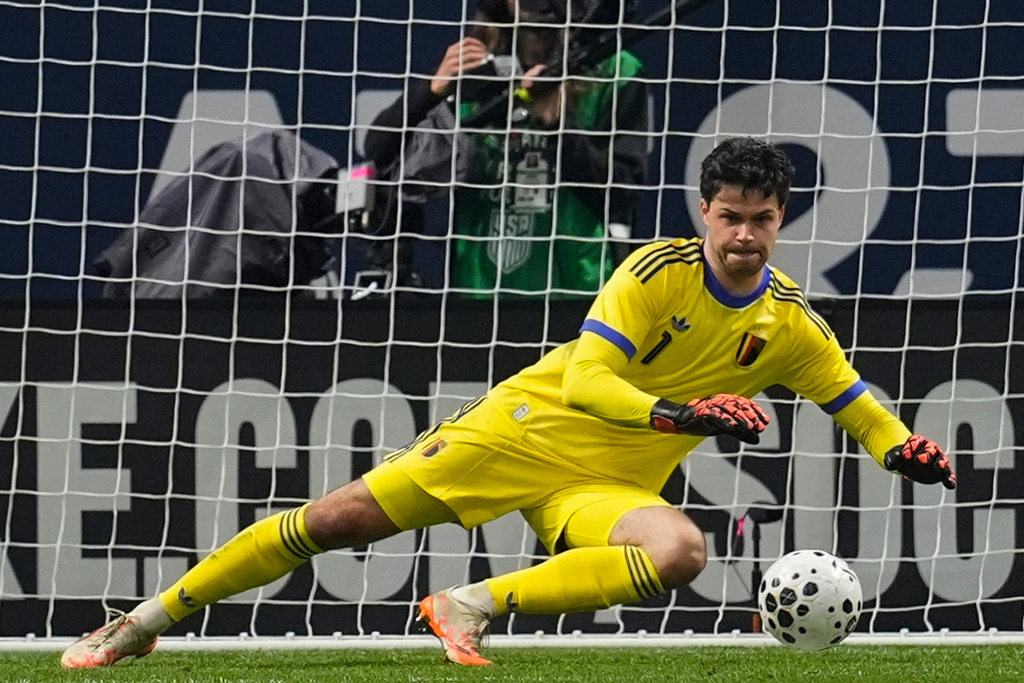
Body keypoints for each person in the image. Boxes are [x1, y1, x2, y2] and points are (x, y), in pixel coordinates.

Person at [61, 137, 956, 669]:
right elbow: (588, 380)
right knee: (333, 521)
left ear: (782, 218)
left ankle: (468, 603)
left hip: (601, 488)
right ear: (705, 212)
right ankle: (143, 622)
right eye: (730, 216)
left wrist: (898, 446)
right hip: (521, 432)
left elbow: (853, 400)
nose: (745, 235)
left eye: (761, 219)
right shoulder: (654, 273)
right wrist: (681, 416)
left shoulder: (789, 322)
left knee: (680, 551)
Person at [360, 0, 651, 296]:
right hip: (476, 290)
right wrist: (431, 89)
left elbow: (623, 189)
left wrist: (557, 128)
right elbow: (378, 152)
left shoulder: (615, 71)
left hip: (576, 291)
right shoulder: (474, 66)